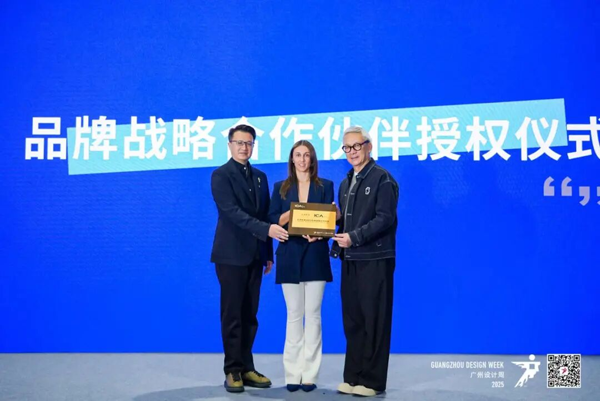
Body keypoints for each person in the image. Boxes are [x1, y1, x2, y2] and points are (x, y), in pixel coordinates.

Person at [210, 124, 289, 393]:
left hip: (255, 255)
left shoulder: (260, 177)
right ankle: (232, 370)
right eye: (239, 143)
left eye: (249, 143)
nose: (244, 147)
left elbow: (264, 214)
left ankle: (246, 367)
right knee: (232, 314)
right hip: (230, 255)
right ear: (230, 145)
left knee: (250, 314)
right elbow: (232, 213)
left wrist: (267, 253)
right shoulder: (220, 176)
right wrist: (267, 231)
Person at [331, 126, 399, 397]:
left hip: (375, 259)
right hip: (350, 258)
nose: (352, 152)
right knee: (353, 321)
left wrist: (354, 237)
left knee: (375, 321)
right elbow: (348, 221)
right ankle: (353, 377)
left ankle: (372, 381)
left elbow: (385, 218)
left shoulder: (382, 178)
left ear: (369, 146)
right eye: (347, 148)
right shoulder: (346, 182)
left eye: (357, 146)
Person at [268, 140, 335, 393]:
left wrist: (320, 233)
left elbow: (329, 222)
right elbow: (273, 219)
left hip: (316, 255)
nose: (303, 160)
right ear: (292, 159)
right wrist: (292, 213)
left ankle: (310, 374)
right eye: (298, 155)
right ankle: (292, 373)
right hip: (289, 255)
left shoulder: (325, 186)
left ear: (312, 159)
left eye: (307, 155)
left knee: (313, 315)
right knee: (294, 315)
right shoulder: (281, 187)